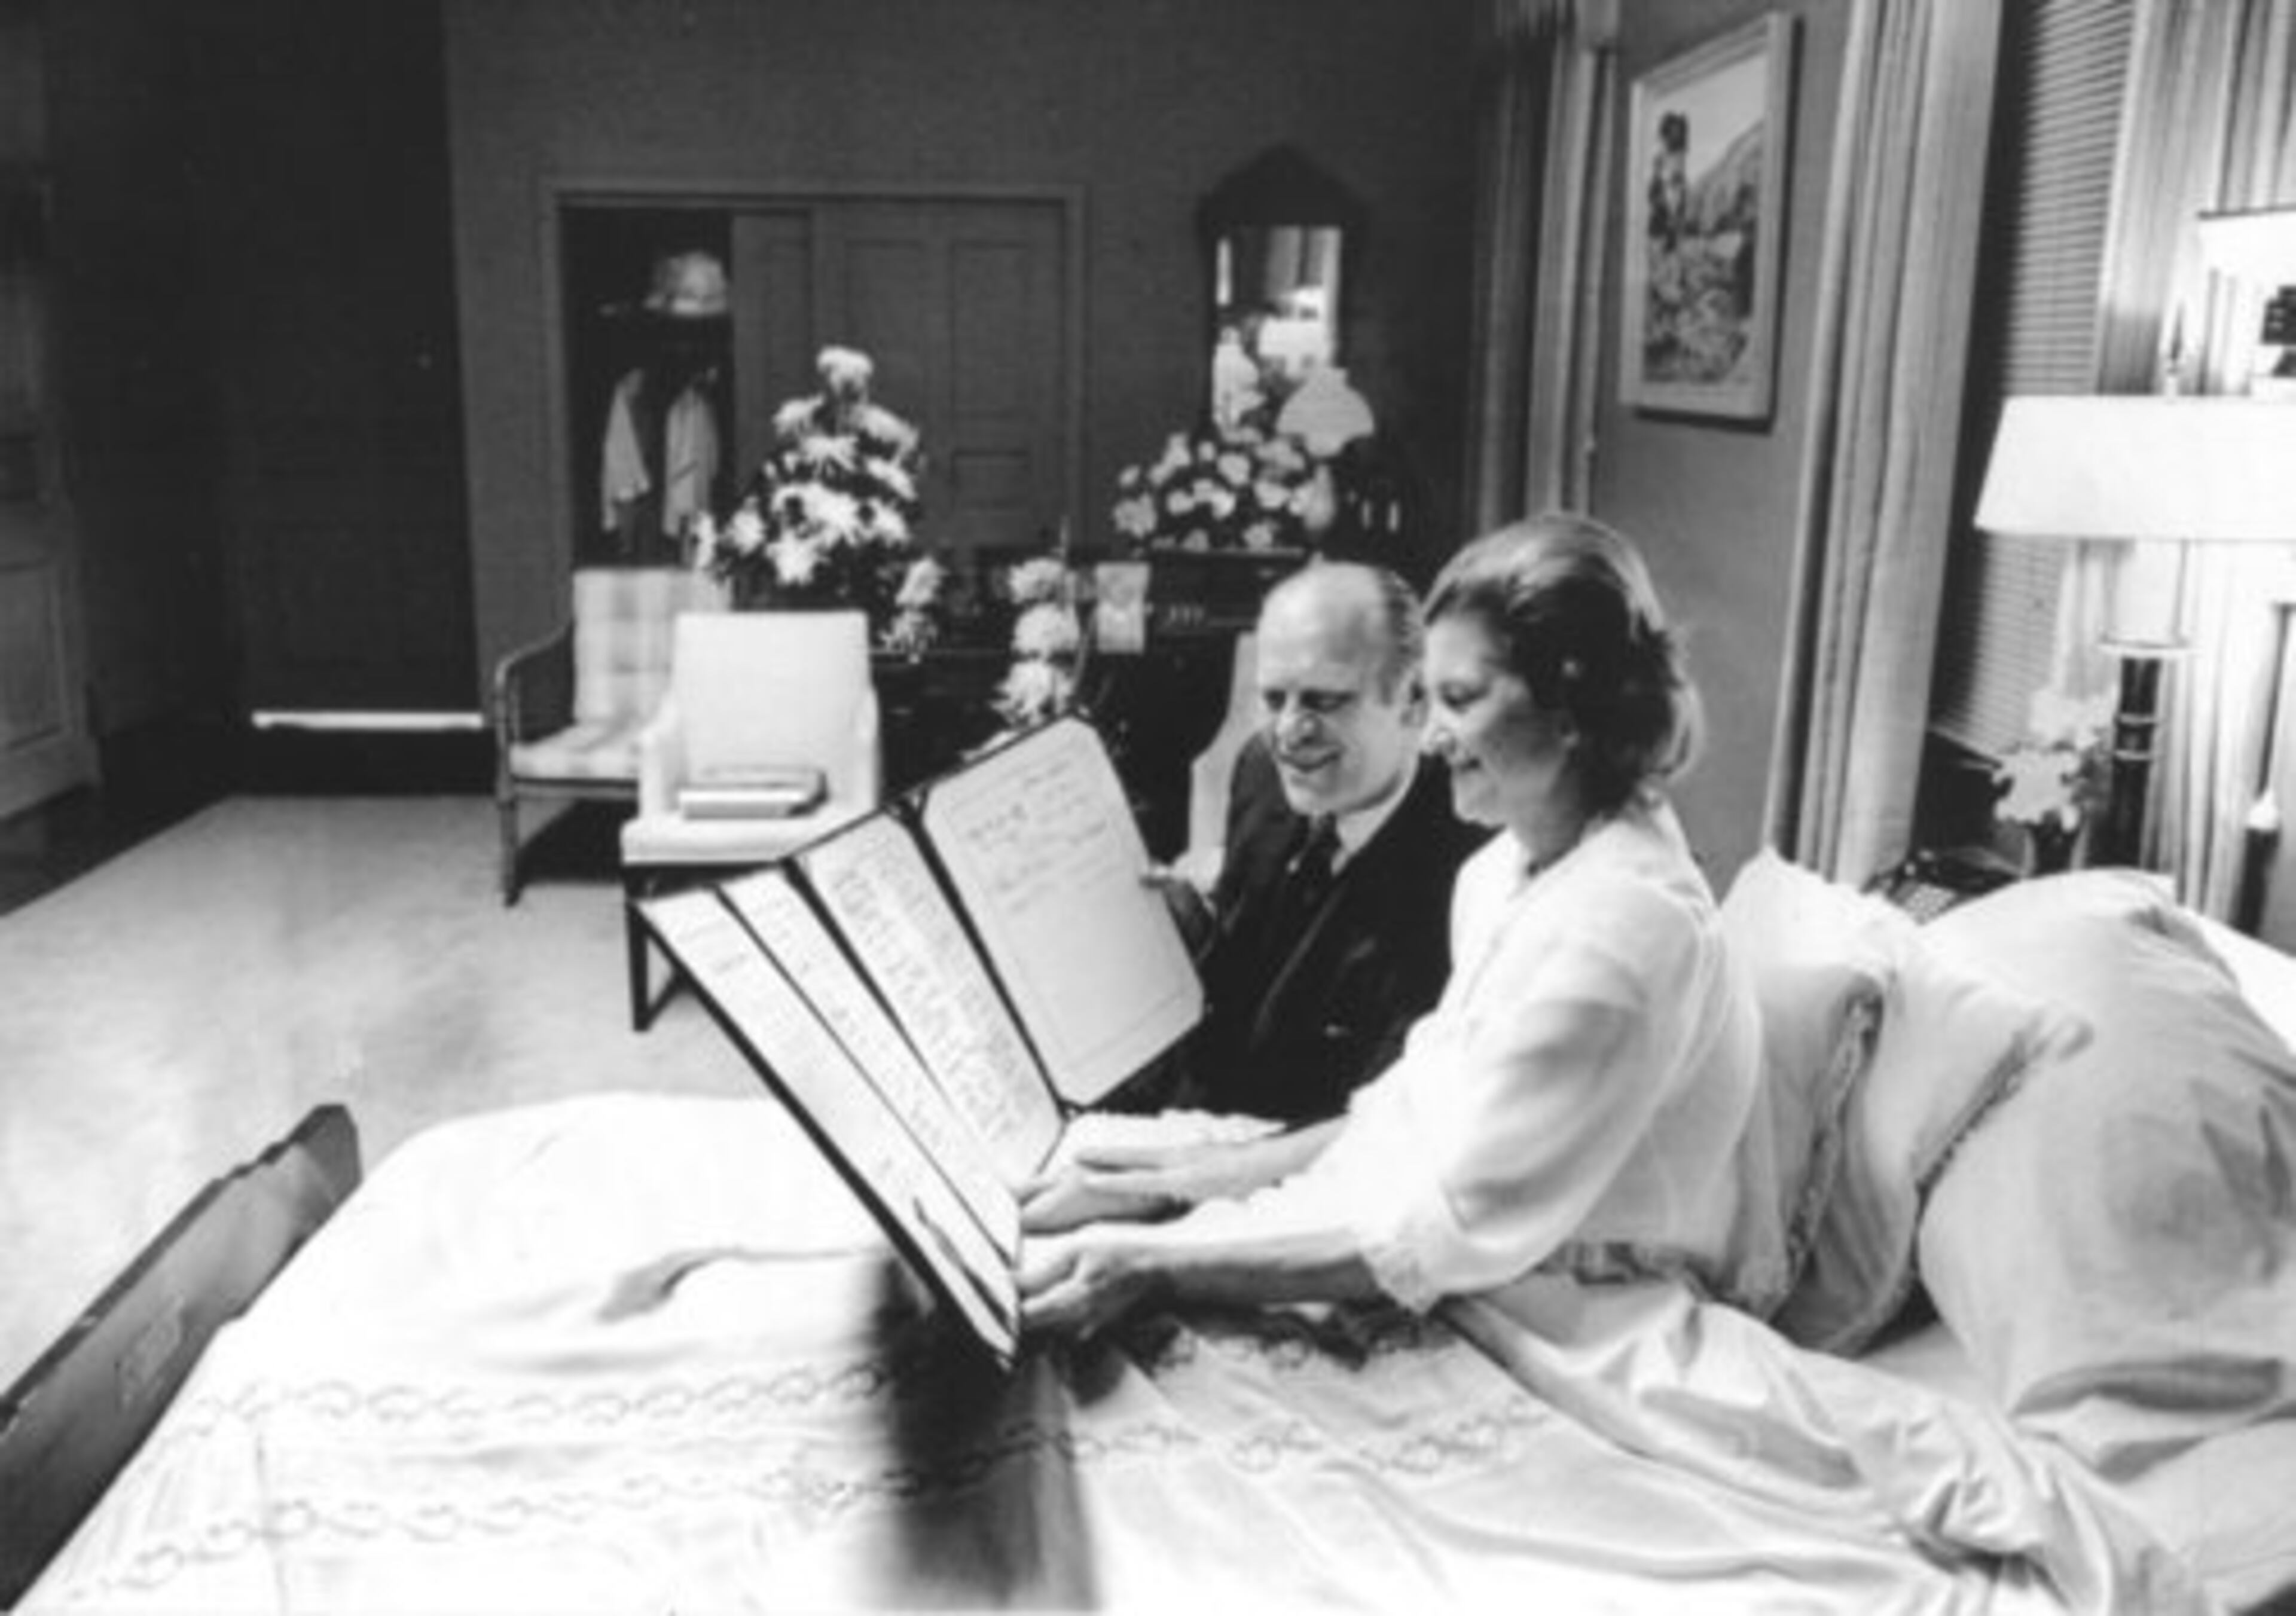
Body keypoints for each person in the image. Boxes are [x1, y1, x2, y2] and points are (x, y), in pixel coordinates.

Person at [1021, 514, 1763, 1339]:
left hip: (1574, 1314)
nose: (1433, 734)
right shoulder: (1508, 869)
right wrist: (1164, 1186)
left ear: (1571, 709)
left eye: (1459, 699)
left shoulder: (1624, 929)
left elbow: (1443, 1236)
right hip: (1451, 1243)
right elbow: (1402, 1115)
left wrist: (1150, 1266)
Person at [1128, 560, 1484, 1128]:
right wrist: (1188, 925)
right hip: (1207, 1126)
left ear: (1413, 702)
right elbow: (1246, 980)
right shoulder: (1262, 775)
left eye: (1324, 701)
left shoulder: (1468, 859)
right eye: (1274, 700)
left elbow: (1382, 1119)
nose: (1289, 733)